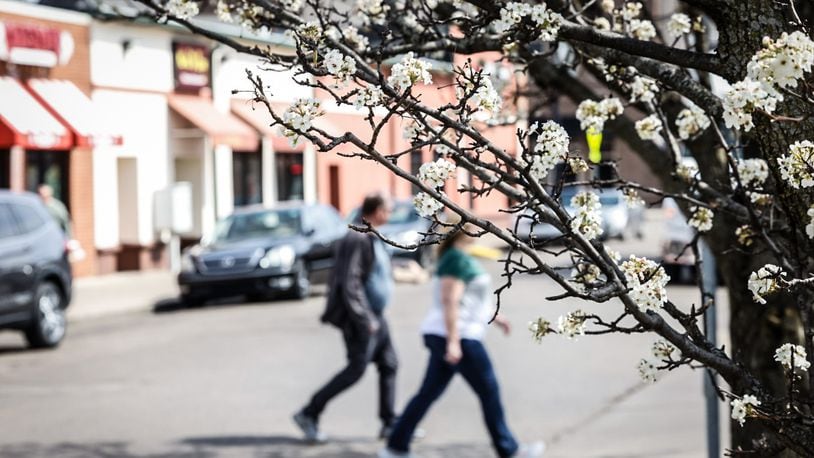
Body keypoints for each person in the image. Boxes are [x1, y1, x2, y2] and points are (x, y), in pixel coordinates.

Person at [380, 223, 545, 458]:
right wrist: (453, 342)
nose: (480, 229)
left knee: (428, 392)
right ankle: (509, 449)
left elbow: (472, 299)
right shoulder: (455, 258)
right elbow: (451, 301)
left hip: (450, 334)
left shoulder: (456, 256)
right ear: (462, 230)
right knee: (489, 390)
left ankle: (395, 447)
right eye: (474, 225)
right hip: (459, 336)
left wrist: (496, 317)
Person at [293, 194, 398, 443]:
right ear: (378, 211)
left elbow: (372, 275)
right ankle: (309, 413)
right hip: (362, 319)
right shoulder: (356, 237)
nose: (391, 215)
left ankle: (390, 423)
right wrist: (365, 319)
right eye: (389, 210)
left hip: (376, 316)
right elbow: (349, 283)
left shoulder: (372, 236)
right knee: (356, 369)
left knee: (389, 364)